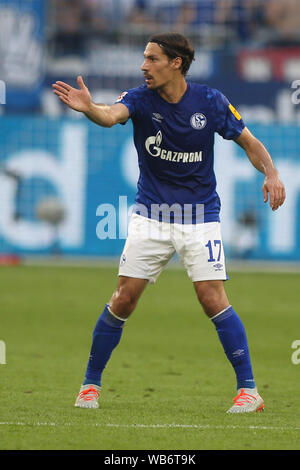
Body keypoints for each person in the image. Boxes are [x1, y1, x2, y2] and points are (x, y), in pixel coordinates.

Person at [53, 32, 285, 413]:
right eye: (144, 58)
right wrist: (90, 107)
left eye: (152, 58)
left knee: (212, 298)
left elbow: (250, 143)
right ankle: (89, 386)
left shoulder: (210, 102)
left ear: (176, 63)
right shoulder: (139, 98)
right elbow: (111, 116)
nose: (144, 66)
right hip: (151, 216)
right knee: (124, 298)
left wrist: (272, 173)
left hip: (200, 217)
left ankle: (249, 391)